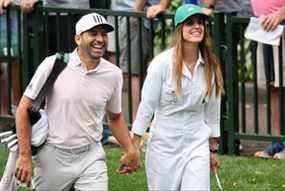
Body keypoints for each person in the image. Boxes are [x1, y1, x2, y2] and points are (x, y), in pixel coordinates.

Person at [14, 12, 140, 190]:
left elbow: (115, 117)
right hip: (53, 155)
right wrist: (24, 155)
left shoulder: (113, 74)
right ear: (78, 39)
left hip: (91, 155)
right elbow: (24, 109)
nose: (100, 39)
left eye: (104, 34)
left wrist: (131, 149)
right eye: (93, 33)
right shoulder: (53, 64)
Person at [130, 4, 224, 190]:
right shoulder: (161, 64)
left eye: (200, 23)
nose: (197, 26)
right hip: (163, 147)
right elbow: (146, 107)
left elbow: (213, 113)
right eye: (190, 23)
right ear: (179, 29)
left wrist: (212, 150)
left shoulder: (210, 66)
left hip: (197, 145)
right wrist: (134, 147)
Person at [108, 0, 169, 122]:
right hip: (120, 13)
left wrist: (136, 11)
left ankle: (136, 124)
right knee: (122, 69)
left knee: (133, 72)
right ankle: (124, 122)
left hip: (133, 16)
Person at [251, 0, 285, 160]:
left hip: (282, 22)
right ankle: (278, 141)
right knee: (274, 87)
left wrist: (281, 13)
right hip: (264, 27)